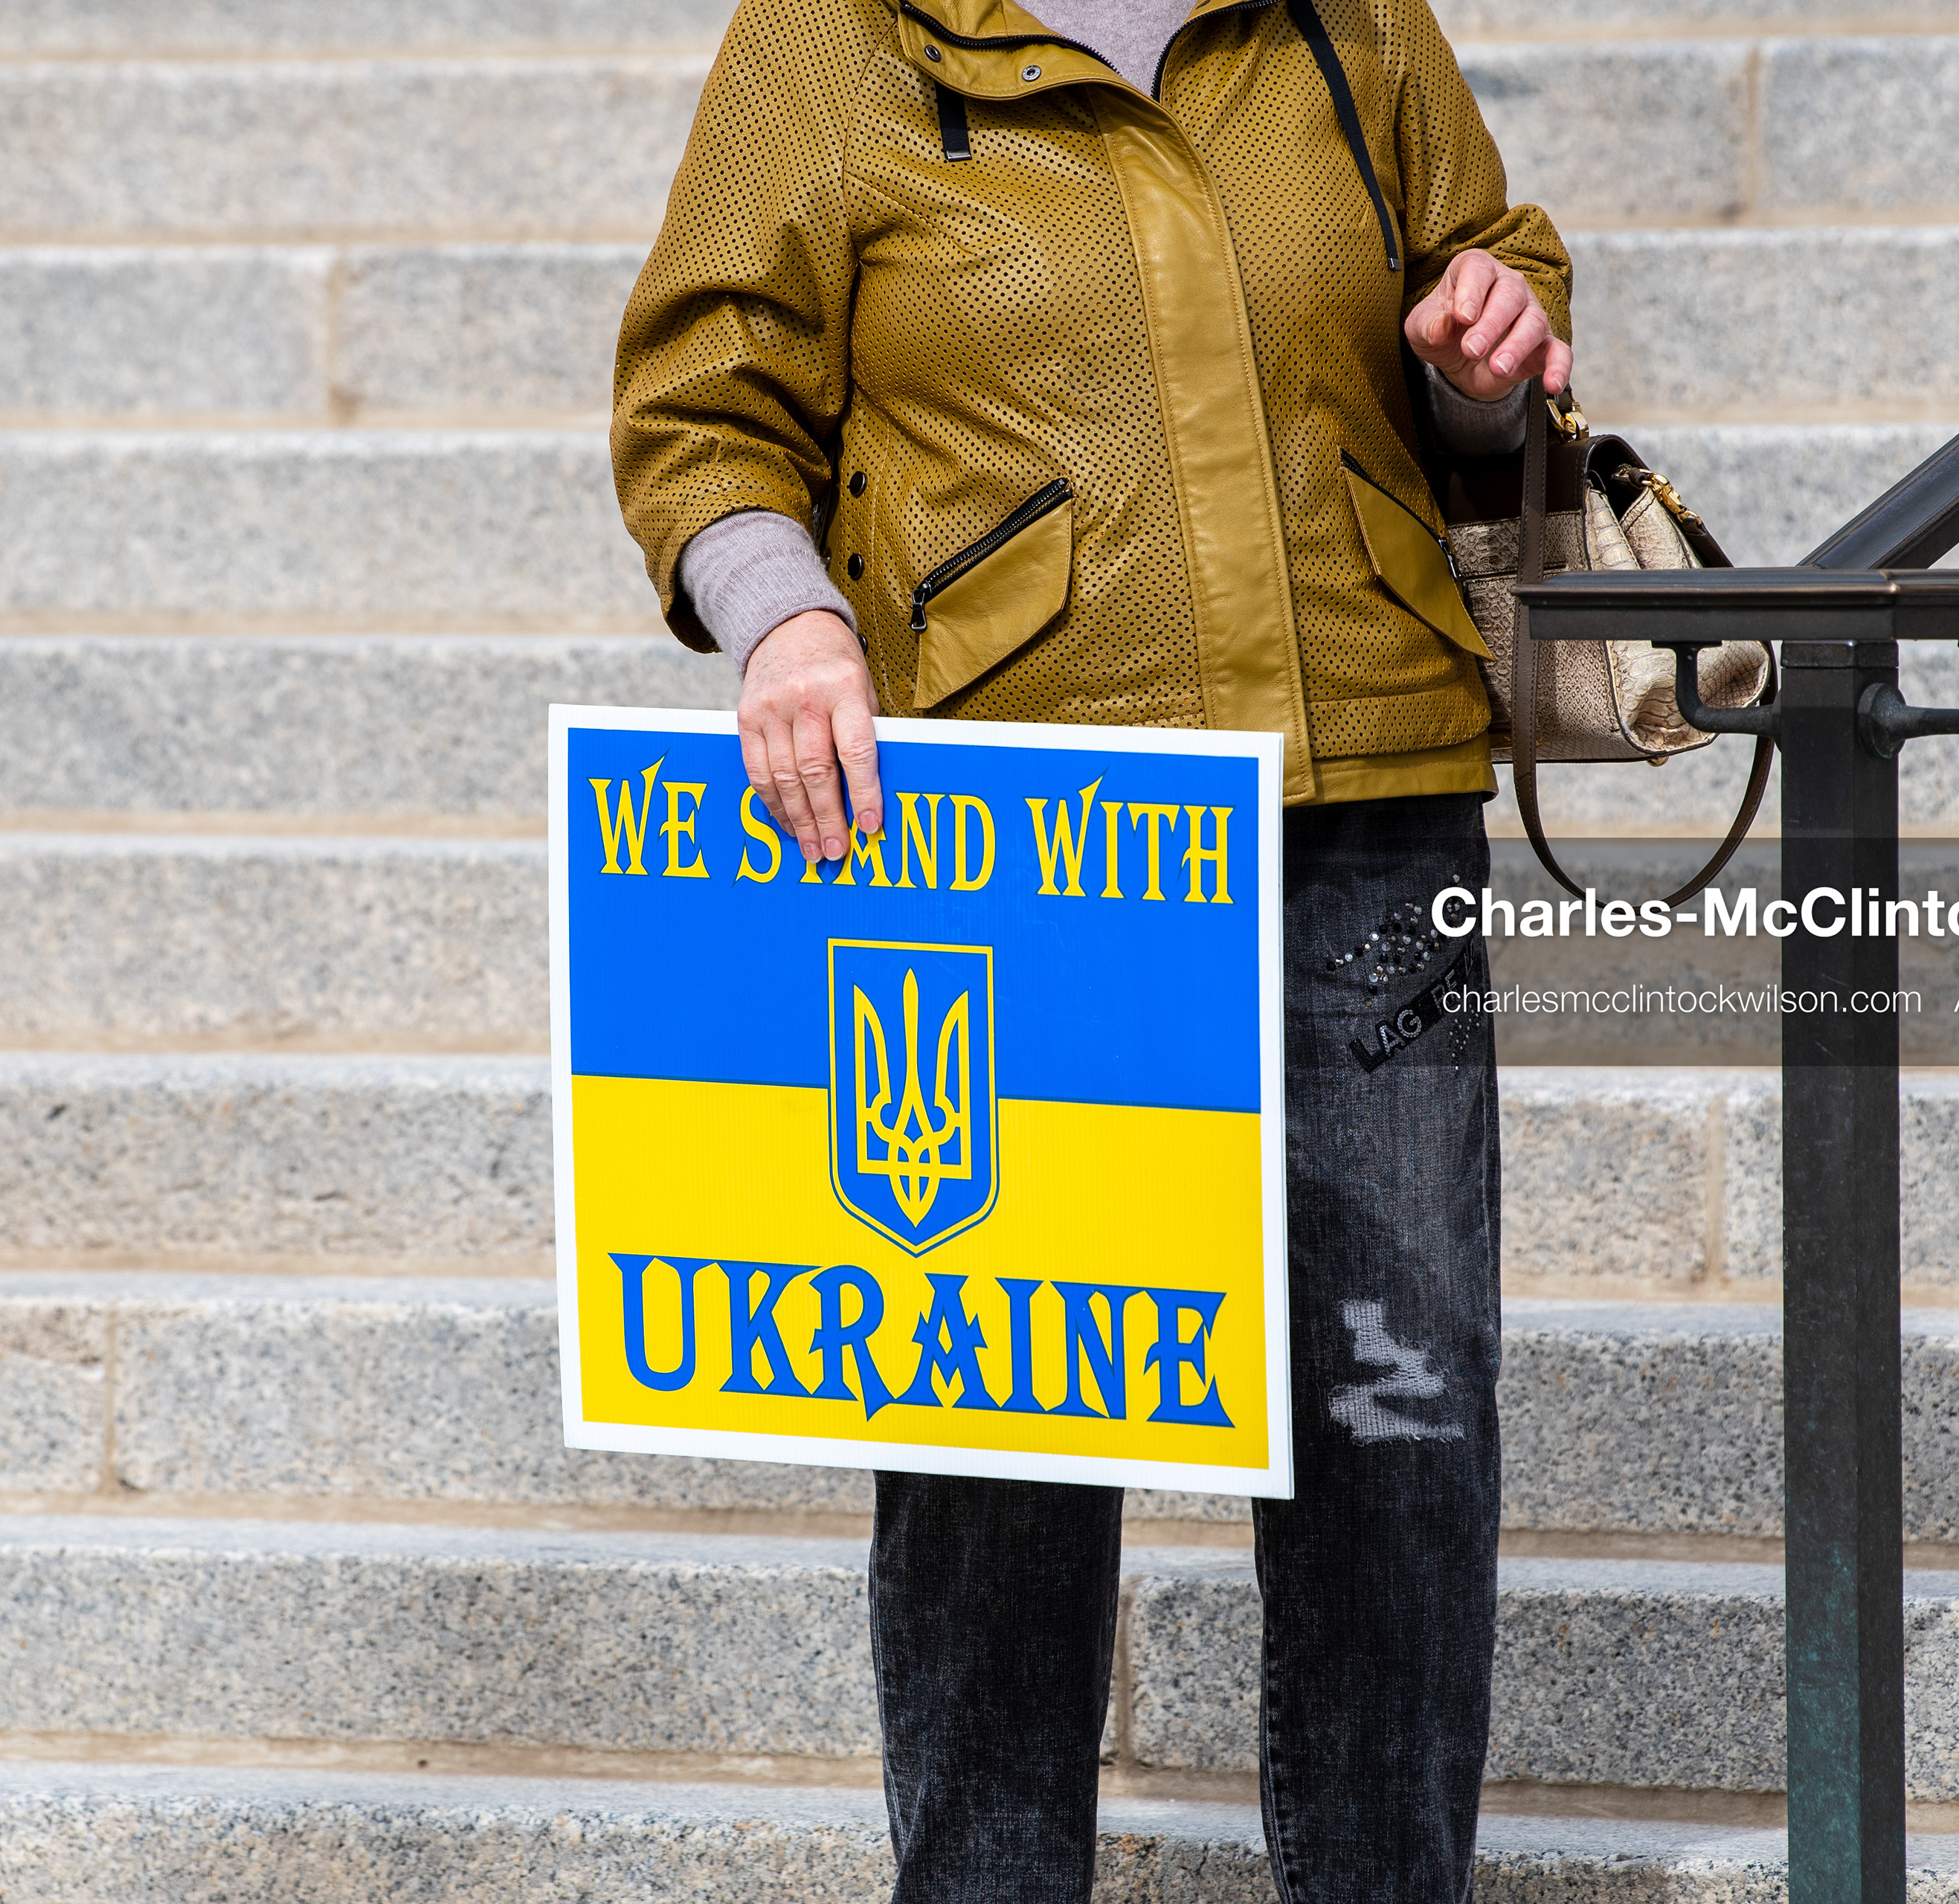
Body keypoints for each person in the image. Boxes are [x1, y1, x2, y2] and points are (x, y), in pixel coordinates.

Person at [611, 1, 1570, 1899]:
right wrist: (785, 622)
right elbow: (701, 397)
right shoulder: (834, 38)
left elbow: (1494, 301)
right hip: (1025, 857)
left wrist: (1489, 354)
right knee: (999, 1460)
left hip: (1371, 806)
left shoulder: (1345, 17)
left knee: (1401, 1416)